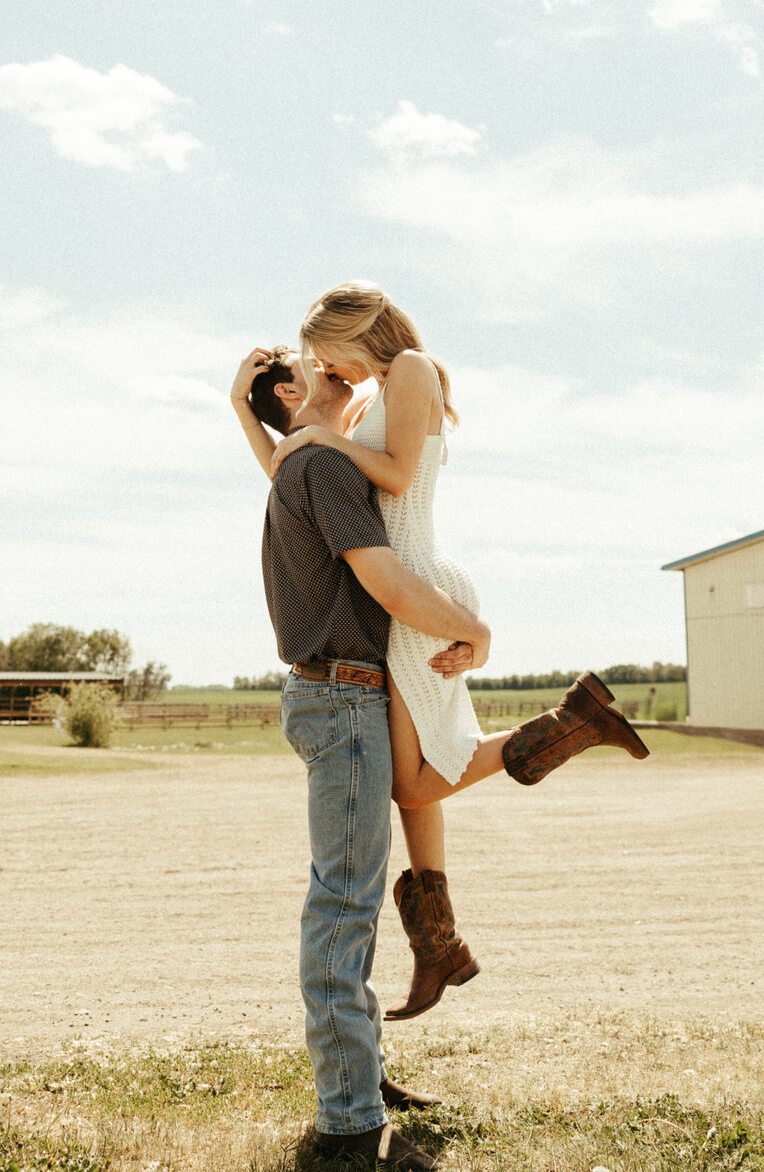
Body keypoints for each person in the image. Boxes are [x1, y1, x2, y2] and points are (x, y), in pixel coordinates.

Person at [269, 281, 650, 1023]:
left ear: (354, 334)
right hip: (400, 593)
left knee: (414, 784)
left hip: (414, 588)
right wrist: (277, 423)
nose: (324, 367)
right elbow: (297, 480)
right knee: (421, 774)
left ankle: (575, 722)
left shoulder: (411, 367)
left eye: (324, 352)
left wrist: (321, 437)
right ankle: (438, 946)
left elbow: (399, 476)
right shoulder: (369, 393)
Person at [232, 351, 492, 1169]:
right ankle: (348, 1123)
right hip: (344, 700)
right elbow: (386, 583)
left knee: (351, 902)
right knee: (344, 906)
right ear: (292, 395)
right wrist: (476, 634)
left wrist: (242, 409)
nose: (336, 369)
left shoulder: (302, 464)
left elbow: (291, 447)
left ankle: (363, 1075)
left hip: (342, 695)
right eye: (317, 370)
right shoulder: (320, 467)